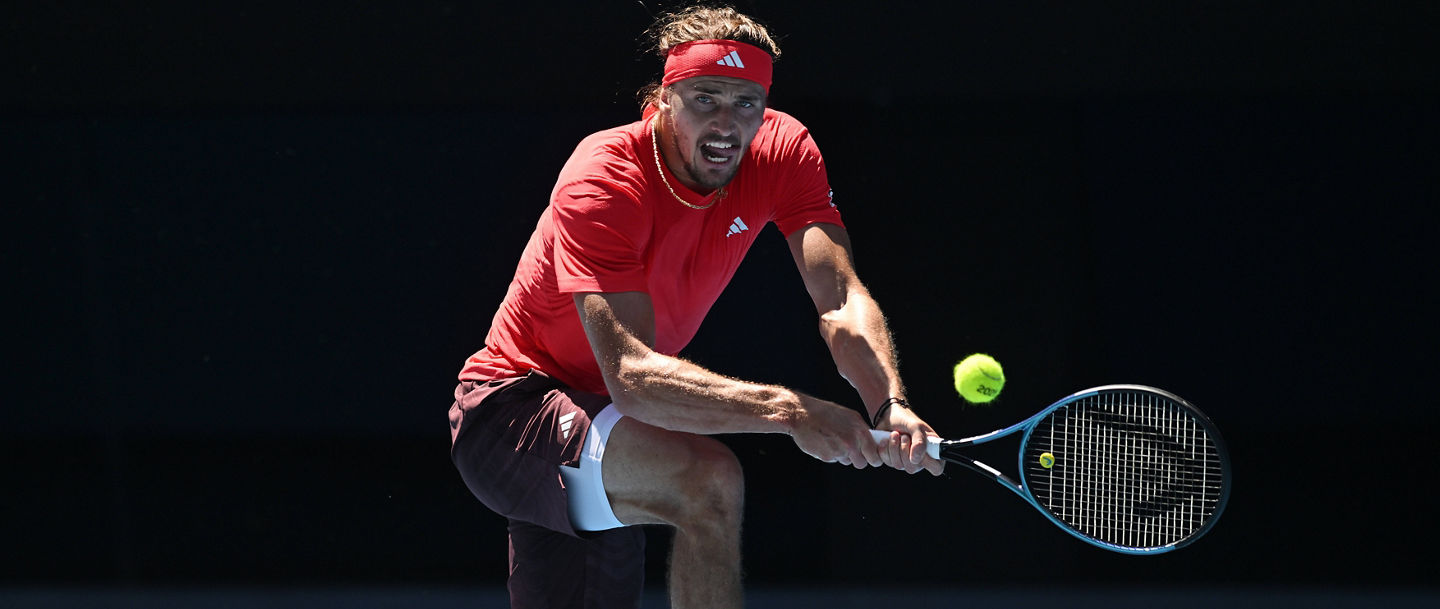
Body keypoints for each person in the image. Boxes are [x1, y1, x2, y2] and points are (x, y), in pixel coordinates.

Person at [449, 5, 944, 608]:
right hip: (511, 409)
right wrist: (790, 411)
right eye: (705, 98)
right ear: (661, 100)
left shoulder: (783, 152)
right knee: (708, 482)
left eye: (746, 103)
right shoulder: (605, 175)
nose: (727, 122)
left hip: (612, 427)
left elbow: (839, 295)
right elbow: (630, 376)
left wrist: (887, 402)